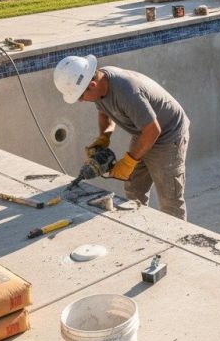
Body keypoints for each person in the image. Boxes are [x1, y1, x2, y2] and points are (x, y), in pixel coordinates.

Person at [54, 55, 190, 219]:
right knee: (134, 189)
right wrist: (104, 137)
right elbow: (104, 113)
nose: (81, 101)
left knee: (170, 199)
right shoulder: (100, 87)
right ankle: (139, 228)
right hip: (143, 131)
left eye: (81, 97)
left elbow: (153, 131)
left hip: (168, 135)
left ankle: (175, 240)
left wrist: (129, 161)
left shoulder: (126, 91)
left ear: (91, 85)